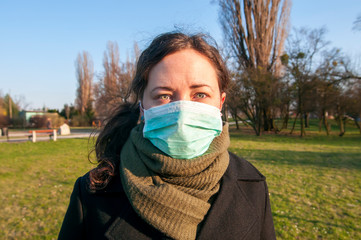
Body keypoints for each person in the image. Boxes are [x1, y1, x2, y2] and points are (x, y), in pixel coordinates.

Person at [58, 32, 276, 240]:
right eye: (164, 95)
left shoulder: (252, 184)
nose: (182, 111)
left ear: (220, 102)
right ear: (142, 107)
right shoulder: (92, 193)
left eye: (200, 94)